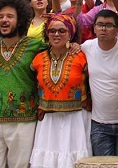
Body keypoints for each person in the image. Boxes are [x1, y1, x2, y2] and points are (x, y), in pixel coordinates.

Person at [0, 0, 46, 168]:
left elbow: (60, 50)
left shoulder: (36, 46)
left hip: (24, 121)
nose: (4, 20)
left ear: (21, 19)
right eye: (0, 17)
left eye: (9, 16)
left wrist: (74, 45)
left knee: (21, 165)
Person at [30, 14, 90, 168]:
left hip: (75, 119)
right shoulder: (37, 59)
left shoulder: (82, 56)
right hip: (48, 121)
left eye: (62, 31)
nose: (56, 34)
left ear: (70, 34)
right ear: (47, 34)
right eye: (52, 31)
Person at [82, 9, 118, 159]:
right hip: (99, 124)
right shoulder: (87, 47)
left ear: (117, 30)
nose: (103, 28)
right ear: (94, 28)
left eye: (108, 25)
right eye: (99, 24)